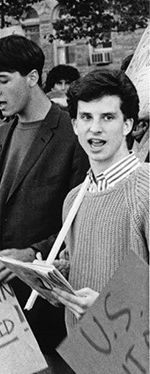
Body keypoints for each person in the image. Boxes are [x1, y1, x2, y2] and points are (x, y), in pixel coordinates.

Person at [0, 35, 89, 374]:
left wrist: (31, 255)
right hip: (2, 304)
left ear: (33, 77)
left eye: (3, 79)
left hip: (53, 306)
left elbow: (81, 219)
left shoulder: (74, 134)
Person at [49, 70, 148, 327]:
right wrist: (59, 276)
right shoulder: (73, 199)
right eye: (86, 117)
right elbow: (94, 264)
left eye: (107, 117)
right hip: (87, 353)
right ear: (74, 125)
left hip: (135, 359)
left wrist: (110, 306)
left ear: (128, 124)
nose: (95, 128)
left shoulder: (145, 189)